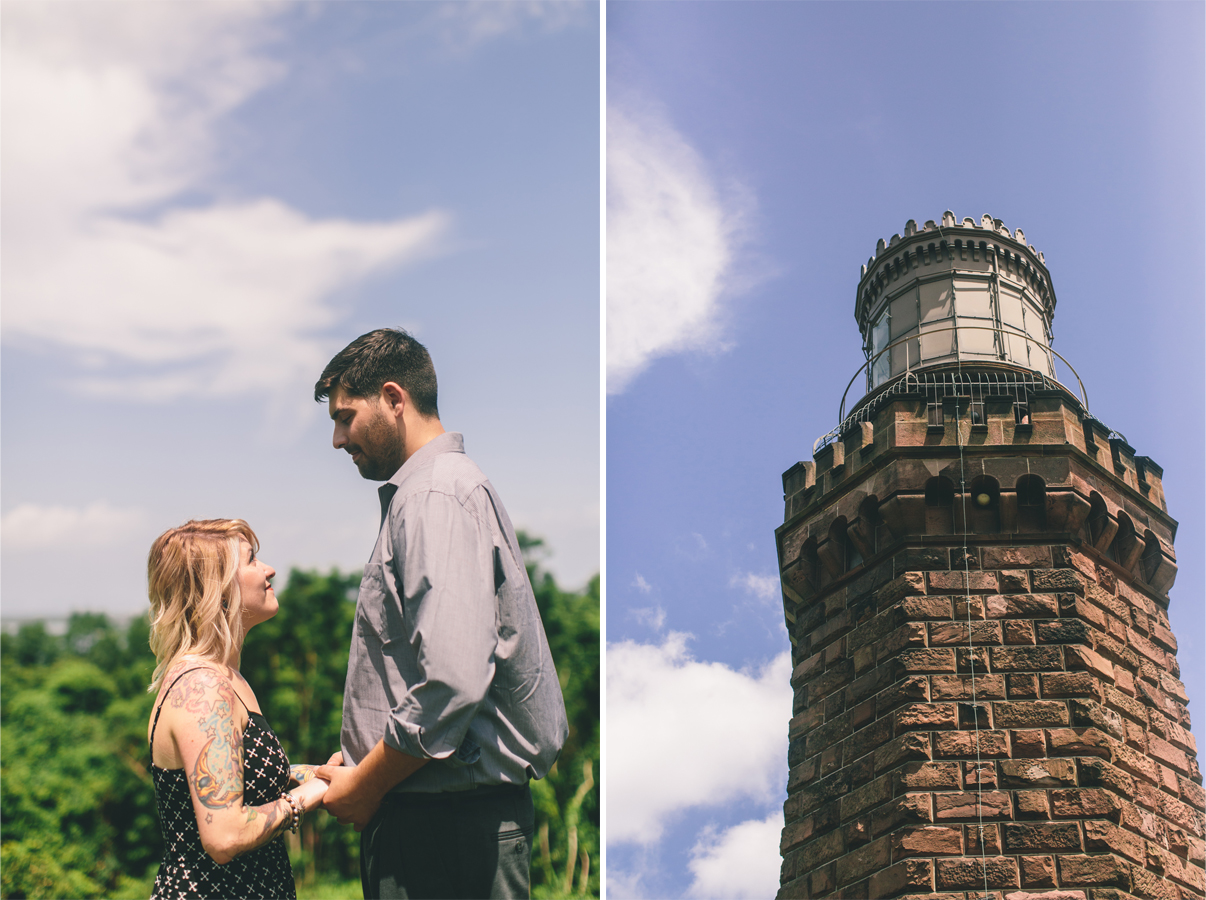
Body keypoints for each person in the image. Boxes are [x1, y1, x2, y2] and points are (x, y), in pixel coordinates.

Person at [313, 328, 568, 900]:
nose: (336, 439)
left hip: (445, 832)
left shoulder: (432, 497)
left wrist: (364, 785)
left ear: (395, 398)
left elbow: (451, 678)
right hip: (442, 819)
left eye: (345, 417)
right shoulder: (436, 492)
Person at [146, 519, 330, 900]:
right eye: (251, 560)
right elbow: (225, 834)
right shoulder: (204, 687)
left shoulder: (225, 676)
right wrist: (309, 796)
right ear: (218, 589)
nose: (269, 570)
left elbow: (235, 780)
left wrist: (320, 772)